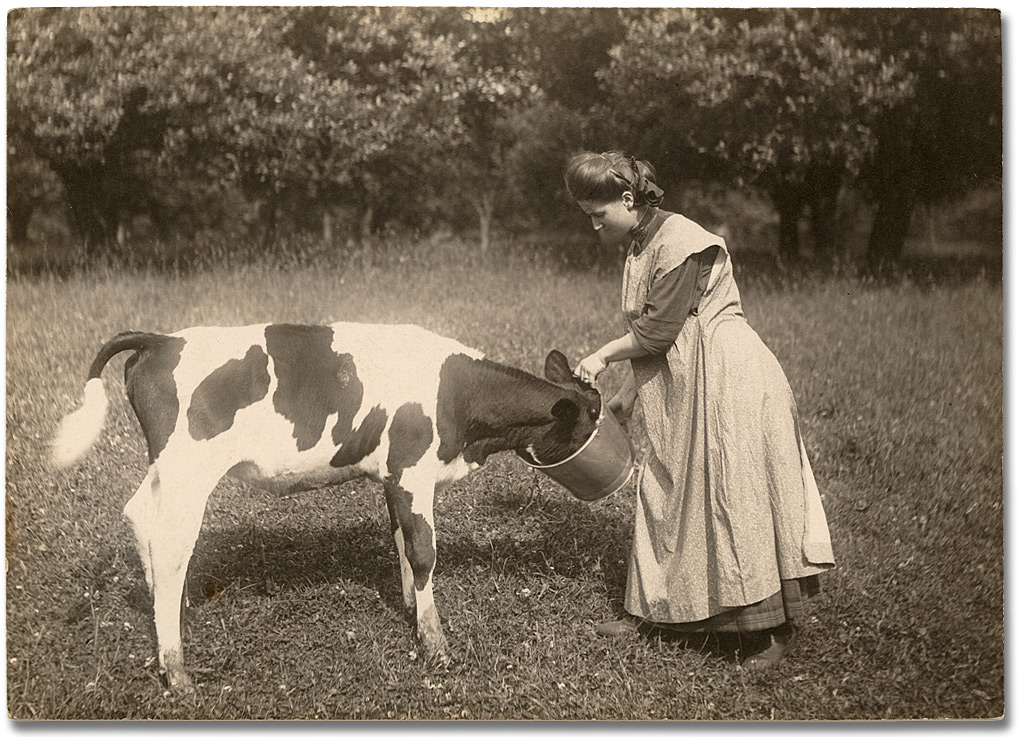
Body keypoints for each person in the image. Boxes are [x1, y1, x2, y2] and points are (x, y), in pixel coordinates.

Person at [565, 151, 835, 669]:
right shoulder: (642, 241)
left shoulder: (683, 241)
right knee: (666, 491)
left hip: (730, 381)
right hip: (688, 379)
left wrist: (600, 357)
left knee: (734, 495)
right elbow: (660, 337)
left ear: (627, 200)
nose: (594, 224)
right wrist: (624, 397)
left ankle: (768, 631)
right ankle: (652, 611)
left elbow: (655, 332)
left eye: (598, 213)